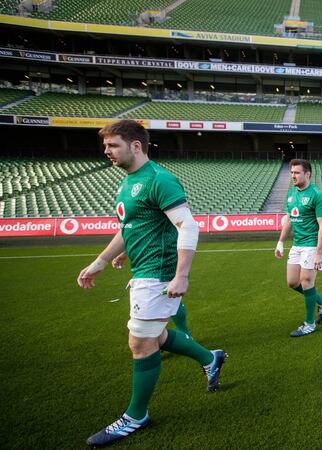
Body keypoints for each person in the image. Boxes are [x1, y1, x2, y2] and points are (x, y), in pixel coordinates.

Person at [77, 120, 225, 447]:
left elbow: (188, 226)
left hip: (158, 274)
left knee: (140, 343)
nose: (107, 152)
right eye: (105, 146)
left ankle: (136, 415)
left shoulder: (159, 179)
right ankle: (210, 358)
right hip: (142, 270)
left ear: (136, 145)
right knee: (155, 335)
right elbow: (129, 228)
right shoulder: (128, 182)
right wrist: (101, 262)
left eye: (113, 145)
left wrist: (182, 274)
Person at [275, 159, 322, 337]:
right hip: (297, 245)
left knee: (307, 281)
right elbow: (289, 220)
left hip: (312, 246)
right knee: (293, 282)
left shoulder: (318, 195)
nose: (293, 175)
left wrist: (318, 253)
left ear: (307, 174)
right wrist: (280, 242)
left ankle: (309, 324)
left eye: (297, 172)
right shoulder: (292, 194)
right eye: (292, 172)